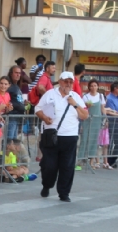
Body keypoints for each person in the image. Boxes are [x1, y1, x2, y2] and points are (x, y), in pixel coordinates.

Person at [35, 71, 88, 202]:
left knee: (67, 166)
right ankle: (46, 185)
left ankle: (64, 193)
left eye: (71, 82)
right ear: (60, 81)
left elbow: (85, 116)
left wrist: (75, 104)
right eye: (66, 81)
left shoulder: (75, 96)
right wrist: (44, 117)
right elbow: (37, 109)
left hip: (70, 136)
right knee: (49, 165)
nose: (68, 84)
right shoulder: (50, 94)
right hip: (51, 135)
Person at [6, 65, 25, 140]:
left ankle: (12, 152)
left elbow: (16, 99)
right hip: (12, 116)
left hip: (18, 117)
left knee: (14, 140)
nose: (18, 75)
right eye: (16, 73)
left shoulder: (16, 86)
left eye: (19, 73)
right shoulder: (8, 85)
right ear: (11, 73)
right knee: (9, 140)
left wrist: (23, 103)